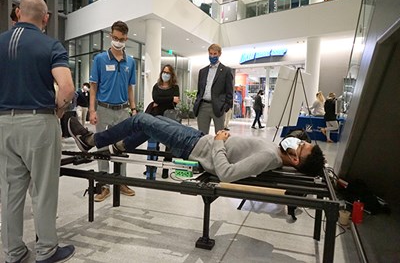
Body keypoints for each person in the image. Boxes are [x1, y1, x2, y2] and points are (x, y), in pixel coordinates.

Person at [0, 0, 76, 262]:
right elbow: (66, 89)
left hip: (3, 124)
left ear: (18, 13)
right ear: (46, 18)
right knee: (43, 189)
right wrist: (57, 109)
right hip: (38, 122)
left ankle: (13, 252)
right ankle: (46, 250)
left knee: (9, 192)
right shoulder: (50, 45)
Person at [68, 113, 326, 183]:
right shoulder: (278, 150)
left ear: (294, 160)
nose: (298, 141)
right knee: (152, 121)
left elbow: (226, 173)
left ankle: (92, 141)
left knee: (141, 120)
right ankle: (118, 148)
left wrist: (218, 142)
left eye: (300, 146)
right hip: (197, 138)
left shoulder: (269, 156)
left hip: (193, 146)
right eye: (302, 141)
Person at [89, 20, 137, 202]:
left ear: (126, 38)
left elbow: (130, 87)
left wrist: (133, 109)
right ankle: (103, 185)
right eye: (115, 38)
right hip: (103, 108)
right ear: (111, 36)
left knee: (122, 147)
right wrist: (92, 110)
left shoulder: (130, 62)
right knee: (102, 147)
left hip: (123, 110)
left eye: (122, 39)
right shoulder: (100, 59)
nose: (118, 41)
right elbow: (93, 87)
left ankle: (120, 182)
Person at [144, 64, 180, 179]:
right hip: (155, 115)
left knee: (168, 144)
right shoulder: (156, 86)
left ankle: (166, 168)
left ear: (172, 74)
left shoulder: (175, 87)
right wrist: (170, 99)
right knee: (154, 143)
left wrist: (163, 101)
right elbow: (156, 99)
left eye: (168, 73)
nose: (165, 74)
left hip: (169, 117)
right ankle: (151, 167)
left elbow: (175, 102)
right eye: (164, 72)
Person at [193, 43, 233, 134]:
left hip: (218, 107)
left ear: (219, 54)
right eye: (210, 54)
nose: (212, 56)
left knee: (220, 135)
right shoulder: (203, 71)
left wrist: (225, 107)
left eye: (215, 54)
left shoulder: (226, 71)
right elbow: (200, 90)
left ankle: (218, 149)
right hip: (203, 106)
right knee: (202, 136)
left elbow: (229, 92)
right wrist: (197, 101)